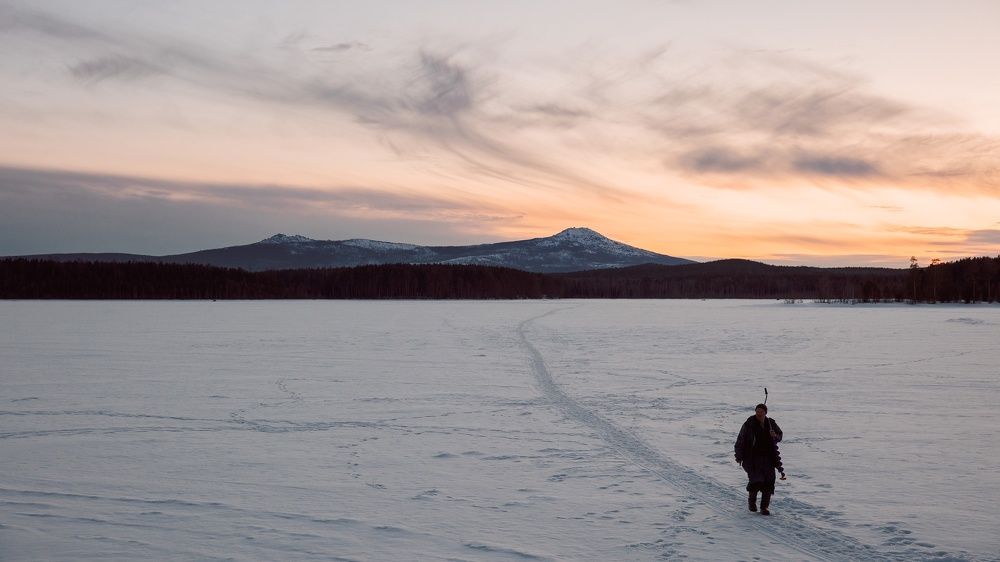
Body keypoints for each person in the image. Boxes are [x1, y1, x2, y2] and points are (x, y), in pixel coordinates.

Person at [734, 403, 785, 515]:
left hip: (768, 458)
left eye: (761, 411)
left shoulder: (771, 423)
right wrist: (739, 456)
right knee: (756, 480)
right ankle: (752, 503)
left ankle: (764, 507)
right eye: (757, 411)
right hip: (752, 457)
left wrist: (774, 435)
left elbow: (780, 436)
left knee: (768, 482)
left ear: (765, 412)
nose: (759, 413)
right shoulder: (749, 424)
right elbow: (740, 440)